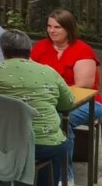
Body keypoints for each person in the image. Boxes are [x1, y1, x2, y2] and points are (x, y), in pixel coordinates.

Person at [0, 30, 77, 186]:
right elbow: (68, 104)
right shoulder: (48, 72)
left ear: (3, 50)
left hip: (0, 142)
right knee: (55, 144)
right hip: (43, 145)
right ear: (30, 49)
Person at [31, 8, 100, 136]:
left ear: (69, 29)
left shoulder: (83, 50)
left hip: (86, 102)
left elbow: (84, 85)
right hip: (47, 100)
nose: (51, 30)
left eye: (57, 27)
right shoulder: (39, 47)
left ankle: (62, 149)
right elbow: (30, 75)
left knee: (59, 121)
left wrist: (53, 99)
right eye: (49, 26)